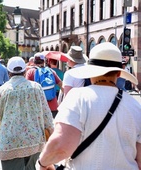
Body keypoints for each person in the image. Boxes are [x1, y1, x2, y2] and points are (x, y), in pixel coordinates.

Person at [38, 42, 141, 170]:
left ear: (90, 71)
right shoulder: (135, 106)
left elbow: (61, 146)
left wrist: (42, 163)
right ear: (119, 73)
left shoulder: (78, 98)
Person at [0, 56, 54, 170]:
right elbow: (46, 113)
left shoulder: (4, 90)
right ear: (25, 71)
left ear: (9, 73)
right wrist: (50, 130)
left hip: (11, 141)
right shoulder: (36, 87)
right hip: (34, 139)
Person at [25, 53, 62, 118]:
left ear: (34, 61)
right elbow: (61, 85)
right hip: (52, 106)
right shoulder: (51, 71)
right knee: (52, 127)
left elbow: (26, 88)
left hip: (38, 107)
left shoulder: (30, 72)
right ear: (44, 61)